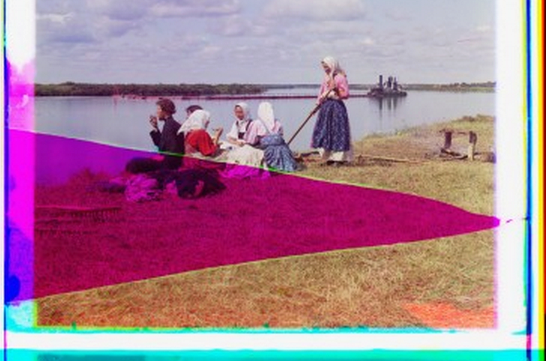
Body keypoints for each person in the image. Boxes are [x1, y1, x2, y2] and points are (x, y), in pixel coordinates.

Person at [311, 56, 353, 166]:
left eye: (327, 67)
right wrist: (317, 105)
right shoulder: (326, 78)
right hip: (326, 108)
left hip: (337, 108)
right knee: (325, 132)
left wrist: (337, 90)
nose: (325, 69)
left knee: (338, 132)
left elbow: (346, 94)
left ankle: (339, 159)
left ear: (332, 65)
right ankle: (329, 157)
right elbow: (321, 93)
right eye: (324, 67)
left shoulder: (340, 78)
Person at [126, 98, 184, 174]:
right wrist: (155, 127)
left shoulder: (170, 126)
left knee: (133, 163)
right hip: (169, 162)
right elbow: (161, 144)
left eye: (158, 109)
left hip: (169, 165)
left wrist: (160, 159)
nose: (157, 112)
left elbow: (171, 152)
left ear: (165, 111)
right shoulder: (170, 124)